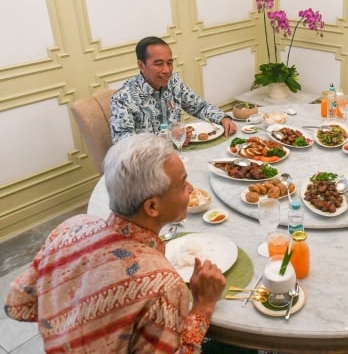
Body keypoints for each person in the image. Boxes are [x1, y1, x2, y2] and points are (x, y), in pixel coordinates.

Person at [4, 134, 227, 353]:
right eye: (181, 184)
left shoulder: (70, 228)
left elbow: (17, 304)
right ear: (152, 207)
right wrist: (203, 307)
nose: (190, 188)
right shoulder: (163, 285)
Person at [110, 36, 237, 144]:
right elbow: (123, 143)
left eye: (169, 63)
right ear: (141, 65)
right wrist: (168, 138)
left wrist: (223, 118)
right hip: (146, 166)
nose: (167, 70)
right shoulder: (123, 98)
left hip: (179, 155)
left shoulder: (173, 82)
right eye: (158, 63)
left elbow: (200, 107)